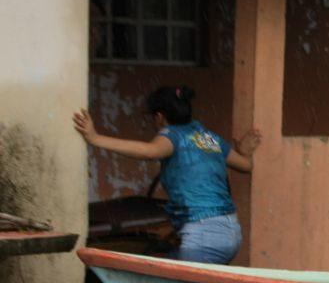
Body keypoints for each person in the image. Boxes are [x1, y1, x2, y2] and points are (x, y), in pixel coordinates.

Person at [72, 86, 259, 264]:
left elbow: (149, 152)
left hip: (203, 235)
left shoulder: (172, 135)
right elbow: (245, 165)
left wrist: (95, 138)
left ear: (160, 117)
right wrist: (245, 152)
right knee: (172, 274)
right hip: (230, 231)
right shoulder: (206, 137)